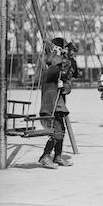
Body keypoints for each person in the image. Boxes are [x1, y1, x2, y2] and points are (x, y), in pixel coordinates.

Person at [38, 38, 74, 169]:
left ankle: (57, 156)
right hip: (50, 106)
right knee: (56, 132)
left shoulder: (60, 68)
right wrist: (57, 53)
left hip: (59, 105)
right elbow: (54, 67)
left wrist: (64, 85)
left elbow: (68, 85)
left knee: (61, 131)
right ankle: (45, 156)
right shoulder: (49, 70)